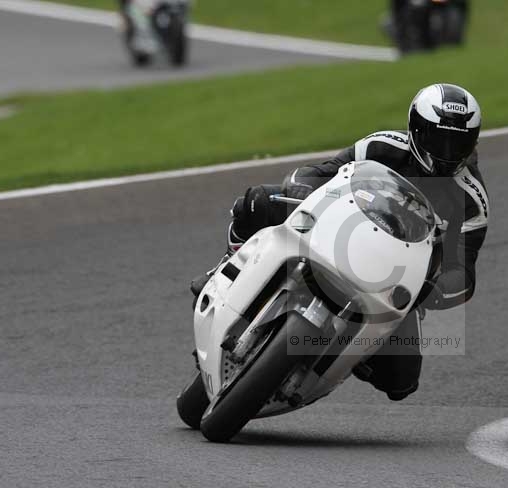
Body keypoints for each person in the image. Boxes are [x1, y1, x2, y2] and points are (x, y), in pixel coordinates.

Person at [192, 83, 489, 401]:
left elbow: (463, 272)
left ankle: (353, 353)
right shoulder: (381, 146)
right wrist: (304, 186)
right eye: (439, 140)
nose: (447, 152)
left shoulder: (472, 201)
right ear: (415, 130)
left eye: (458, 143)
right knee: (257, 202)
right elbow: (325, 171)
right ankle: (227, 268)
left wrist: (435, 290)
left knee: (401, 381)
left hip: (395, 278)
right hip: (338, 234)